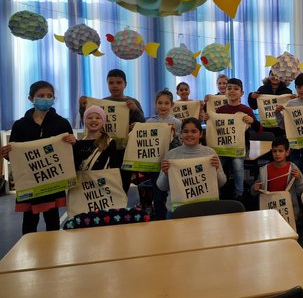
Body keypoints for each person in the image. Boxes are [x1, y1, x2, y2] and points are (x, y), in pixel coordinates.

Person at [0, 81, 75, 234]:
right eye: (41, 96)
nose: (45, 99)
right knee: (29, 222)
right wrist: (7, 154)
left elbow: (70, 152)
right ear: (31, 98)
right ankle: (27, 251)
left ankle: (53, 252)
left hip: (53, 181)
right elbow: (16, 158)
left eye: (49, 96)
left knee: (52, 220)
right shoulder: (20, 125)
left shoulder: (62, 123)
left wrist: (74, 143)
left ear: (54, 98)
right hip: (30, 182)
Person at [78, 69, 145, 192]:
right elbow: (88, 122)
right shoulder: (101, 103)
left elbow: (142, 125)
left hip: (124, 150)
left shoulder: (132, 102)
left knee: (124, 182)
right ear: (107, 84)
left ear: (125, 84)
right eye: (111, 83)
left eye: (119, 82)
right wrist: (82, 107)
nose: (115, 86)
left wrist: (135, 110)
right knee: (107, 182)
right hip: (104, 148)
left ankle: (122, 207)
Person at [157, 118, 226, 217]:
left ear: (201, 134)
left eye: (194, 131)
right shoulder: (171, 155)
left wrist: (216, 170)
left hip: (205, 209)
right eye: (185, 131)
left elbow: (222, 183)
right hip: (178, 210)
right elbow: (161, 187)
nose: (189, 134)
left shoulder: (210, 153)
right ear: (181, 134)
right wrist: (165, 173)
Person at [211, 78, 261, 200]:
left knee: (237, 163)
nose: (232, 91)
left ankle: (239, 193)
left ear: (242, 93)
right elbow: (213, 127)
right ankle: (216, 193)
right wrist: (207, 117)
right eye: (229, 88)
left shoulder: (246, 110)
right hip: (223, 147)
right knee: (216, 164)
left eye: (236, 89)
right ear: (225, 91)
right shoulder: (220, 110)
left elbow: (259, 129)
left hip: (241, 146)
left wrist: (252, 121)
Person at [251, 136, 303, 223]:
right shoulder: (264, 170)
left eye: (280, 151)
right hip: (269, 208)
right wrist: (255, 188)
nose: (277, 154)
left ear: (287, 152)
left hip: (288, 209)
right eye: (274, 151)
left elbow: (301, 192)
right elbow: (255, 191)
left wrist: (299, 179)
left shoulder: (293, 169)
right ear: (271, 152)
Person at [146, 89, 182, 220]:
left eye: (166, 103)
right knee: (157, 194)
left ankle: (172, 218)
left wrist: (175, 134)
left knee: (172, 193)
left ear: (172, 105)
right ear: (155, 104)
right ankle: (160, 219)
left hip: (171, 164)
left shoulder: (177, 123)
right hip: (155, 165)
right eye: (160, 103)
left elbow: (180, 145)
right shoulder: (149, 122)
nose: (163, 106)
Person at [72, 106, 120, 171]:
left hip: (104, 180)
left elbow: (115, 166)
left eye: (98, 118)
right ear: (84, 121)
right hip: (83, 180)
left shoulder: (110, 142)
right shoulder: (79, 143)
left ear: (103, 121)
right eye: (89, 118)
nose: (93, 120)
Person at [248, 70, 293, 138]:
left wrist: (293, 99)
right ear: (269, 76)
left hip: (282, 127)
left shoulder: (287, 91)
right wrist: (251, 97)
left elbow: (290, 109)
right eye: (272, 74)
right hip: (266, 127)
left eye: (278, 75)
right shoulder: (261, 89)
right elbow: (254, 106)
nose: (275, 77)